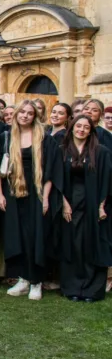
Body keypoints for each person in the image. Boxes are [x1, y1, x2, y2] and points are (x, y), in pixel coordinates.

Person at [0, 100, 61, 301]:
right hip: (14, 192)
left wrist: (46, 198)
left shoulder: (45, 139)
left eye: (29, 113)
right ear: (15, 114)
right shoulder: (6, 137)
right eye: (21, 112)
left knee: (36, 236)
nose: (25, 115)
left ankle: (36, 282)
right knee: (18, 236)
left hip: (38, 192)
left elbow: (51, 170)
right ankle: (23, 279)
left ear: (35, 116)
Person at [58, 115, 112, 302]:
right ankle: (72, 287)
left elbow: (107, 180)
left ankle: (91, 290)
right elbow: (57, 180)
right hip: (70, 204)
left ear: (91, 130)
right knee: (73, 245)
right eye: (78, 126)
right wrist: (64, 204)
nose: (81, 129)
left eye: (86, 127)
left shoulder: (101, 151)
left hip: (93, 204)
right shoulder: (62, 151)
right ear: (72, 128)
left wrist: (101, 206)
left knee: (92, 244)